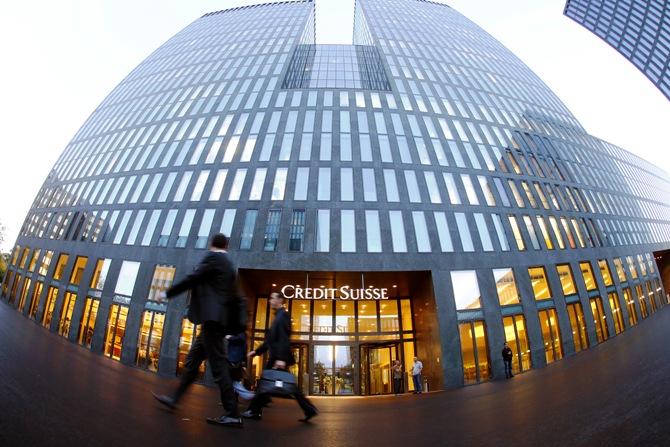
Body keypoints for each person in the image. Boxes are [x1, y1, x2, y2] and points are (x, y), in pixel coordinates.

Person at [151, 233, 247, 428]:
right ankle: (174, 399)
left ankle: (232, 413)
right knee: (193, 360)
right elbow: (233, 295)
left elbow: (193, 278)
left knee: (219, 366)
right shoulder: (228, 264)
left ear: (212, 244)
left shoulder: (213, 258)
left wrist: (167, 293)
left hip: (212, 321)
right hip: (217, 321)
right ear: (226, 245)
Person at [242, 292, 318, 422]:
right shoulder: (278, 316)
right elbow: (270, 340)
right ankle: (309, 409)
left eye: (272, 298)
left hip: (278, 357)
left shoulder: (283, 315)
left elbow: (283, 337)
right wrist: (256, 352)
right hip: (277, 356)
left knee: (267, 382)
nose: (270, 300)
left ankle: (255, 409)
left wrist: (281, 359)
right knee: (283, 385)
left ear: (280, 300)